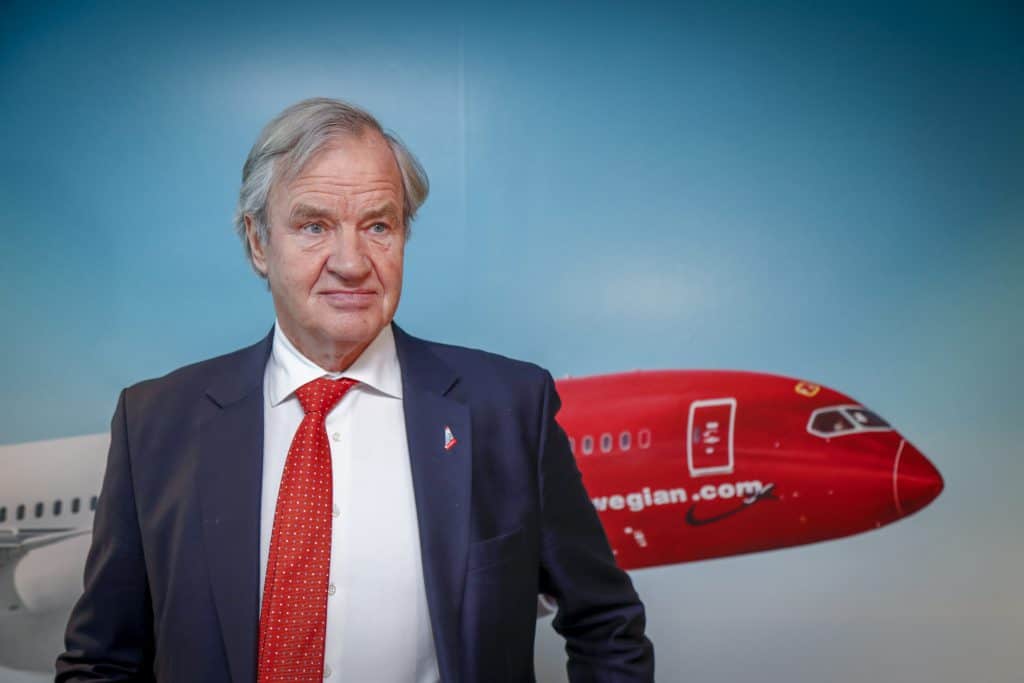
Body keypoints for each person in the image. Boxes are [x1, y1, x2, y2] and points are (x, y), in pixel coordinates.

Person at [56, 97, 654, 682]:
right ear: (259, 243)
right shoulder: (155, 423)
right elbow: (101, 663)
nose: (351, 262)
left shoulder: (508, 410)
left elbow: (606, 627)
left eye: (378, 226)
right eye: (314, 226)